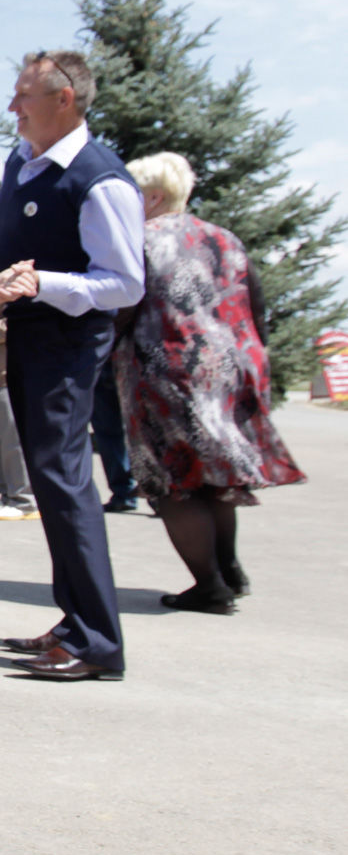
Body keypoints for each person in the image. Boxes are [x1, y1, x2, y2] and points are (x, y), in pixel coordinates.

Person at [0, 50, 145, 682]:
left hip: (67, 345)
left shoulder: (99, 178)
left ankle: (99, 642)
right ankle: (75, 621)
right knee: (53, 483)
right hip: (30, 339)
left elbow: (124, 283)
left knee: (64, 479)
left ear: (65, 99)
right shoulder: (22, 164)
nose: (12, 106)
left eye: (24, 94)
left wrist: (42, 284)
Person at [114, 152, 305, 612]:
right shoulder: (224, 238)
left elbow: (122, 308)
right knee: (213, 475)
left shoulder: (139, 240)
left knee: (171, 481)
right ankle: (228, 569)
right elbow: (256, 303)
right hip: (229, 367)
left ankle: (209, 585)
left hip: (166, 367)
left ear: (153, 196)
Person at [0, 301, 38, 520]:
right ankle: (6, 496)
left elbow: (16, 325)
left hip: (5, 376)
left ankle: (25, 500)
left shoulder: (10, 293)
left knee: (13, 442)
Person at [92, 375, 140, 512]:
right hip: (136, 362)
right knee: (146, 427)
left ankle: (125, 493)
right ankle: (157, 493)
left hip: (103, 363)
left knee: (109, 430)